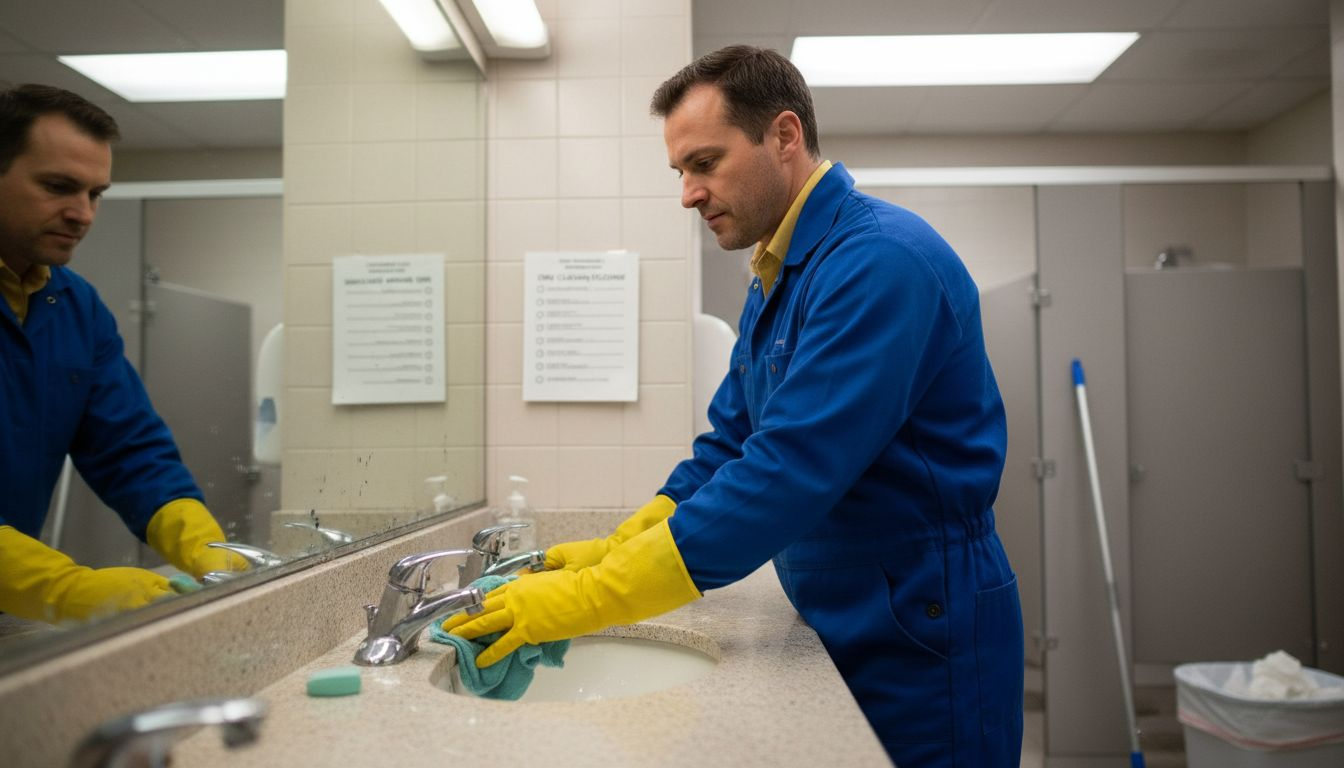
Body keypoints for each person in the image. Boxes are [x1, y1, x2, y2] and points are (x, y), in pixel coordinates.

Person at [446, 46, 1023, 766]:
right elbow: (731, 444)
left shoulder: (880, 263)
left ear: (784, 136)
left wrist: (589, 597)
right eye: (681, 171)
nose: (688, 194)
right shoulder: (778, 274)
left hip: (919, 626)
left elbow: (785, 473)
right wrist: (617, 546)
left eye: (705, 163)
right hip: (844, 614)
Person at [0, 84, 243, 625]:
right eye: (59, 187)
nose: (82, 214)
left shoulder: (75, 306)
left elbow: (129, 449)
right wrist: (69, 589)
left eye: (95, 194)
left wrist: (205, 547)